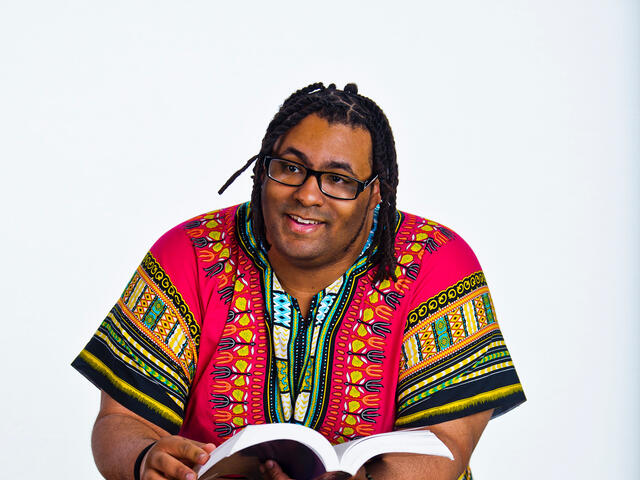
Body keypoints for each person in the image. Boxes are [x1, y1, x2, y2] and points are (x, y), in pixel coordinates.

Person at [73, 82, 525, 480]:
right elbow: (120, 421)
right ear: (260, 170)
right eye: (290, 168)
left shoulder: (435, 262)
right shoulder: (190, 252)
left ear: (377, 192)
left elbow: (447, 442)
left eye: (338, 179)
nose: (308, 193)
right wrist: (145, 458)